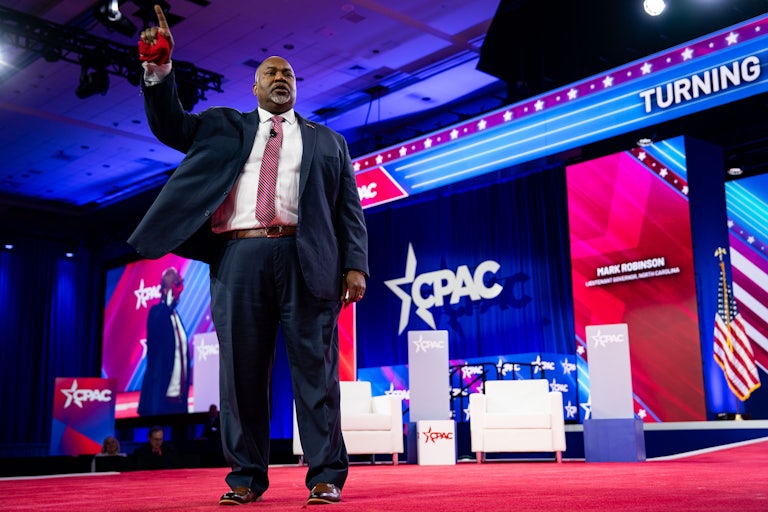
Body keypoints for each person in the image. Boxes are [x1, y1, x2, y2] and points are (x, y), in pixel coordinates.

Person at [128, 5, 368, 506]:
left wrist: (356, 265)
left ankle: (325, 476)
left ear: (296, 87)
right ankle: (245, 479)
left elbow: (349, 208)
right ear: (255, 88)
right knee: (240, 377)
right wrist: (159, 69)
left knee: (316, 375)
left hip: (309, 259)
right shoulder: (222, 126)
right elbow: (171, 124)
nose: (280, 78)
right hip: (239, 258)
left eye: (288, 74)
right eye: (270, 73)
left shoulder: (330, 141)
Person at [137, 266, 190, 417]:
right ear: (166, 290)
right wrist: (167, 302)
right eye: (176, 285)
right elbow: (155, 332)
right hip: (161, 401)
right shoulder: (157, 313)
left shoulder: (176, 316)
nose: (180, 291)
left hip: (179, 401)